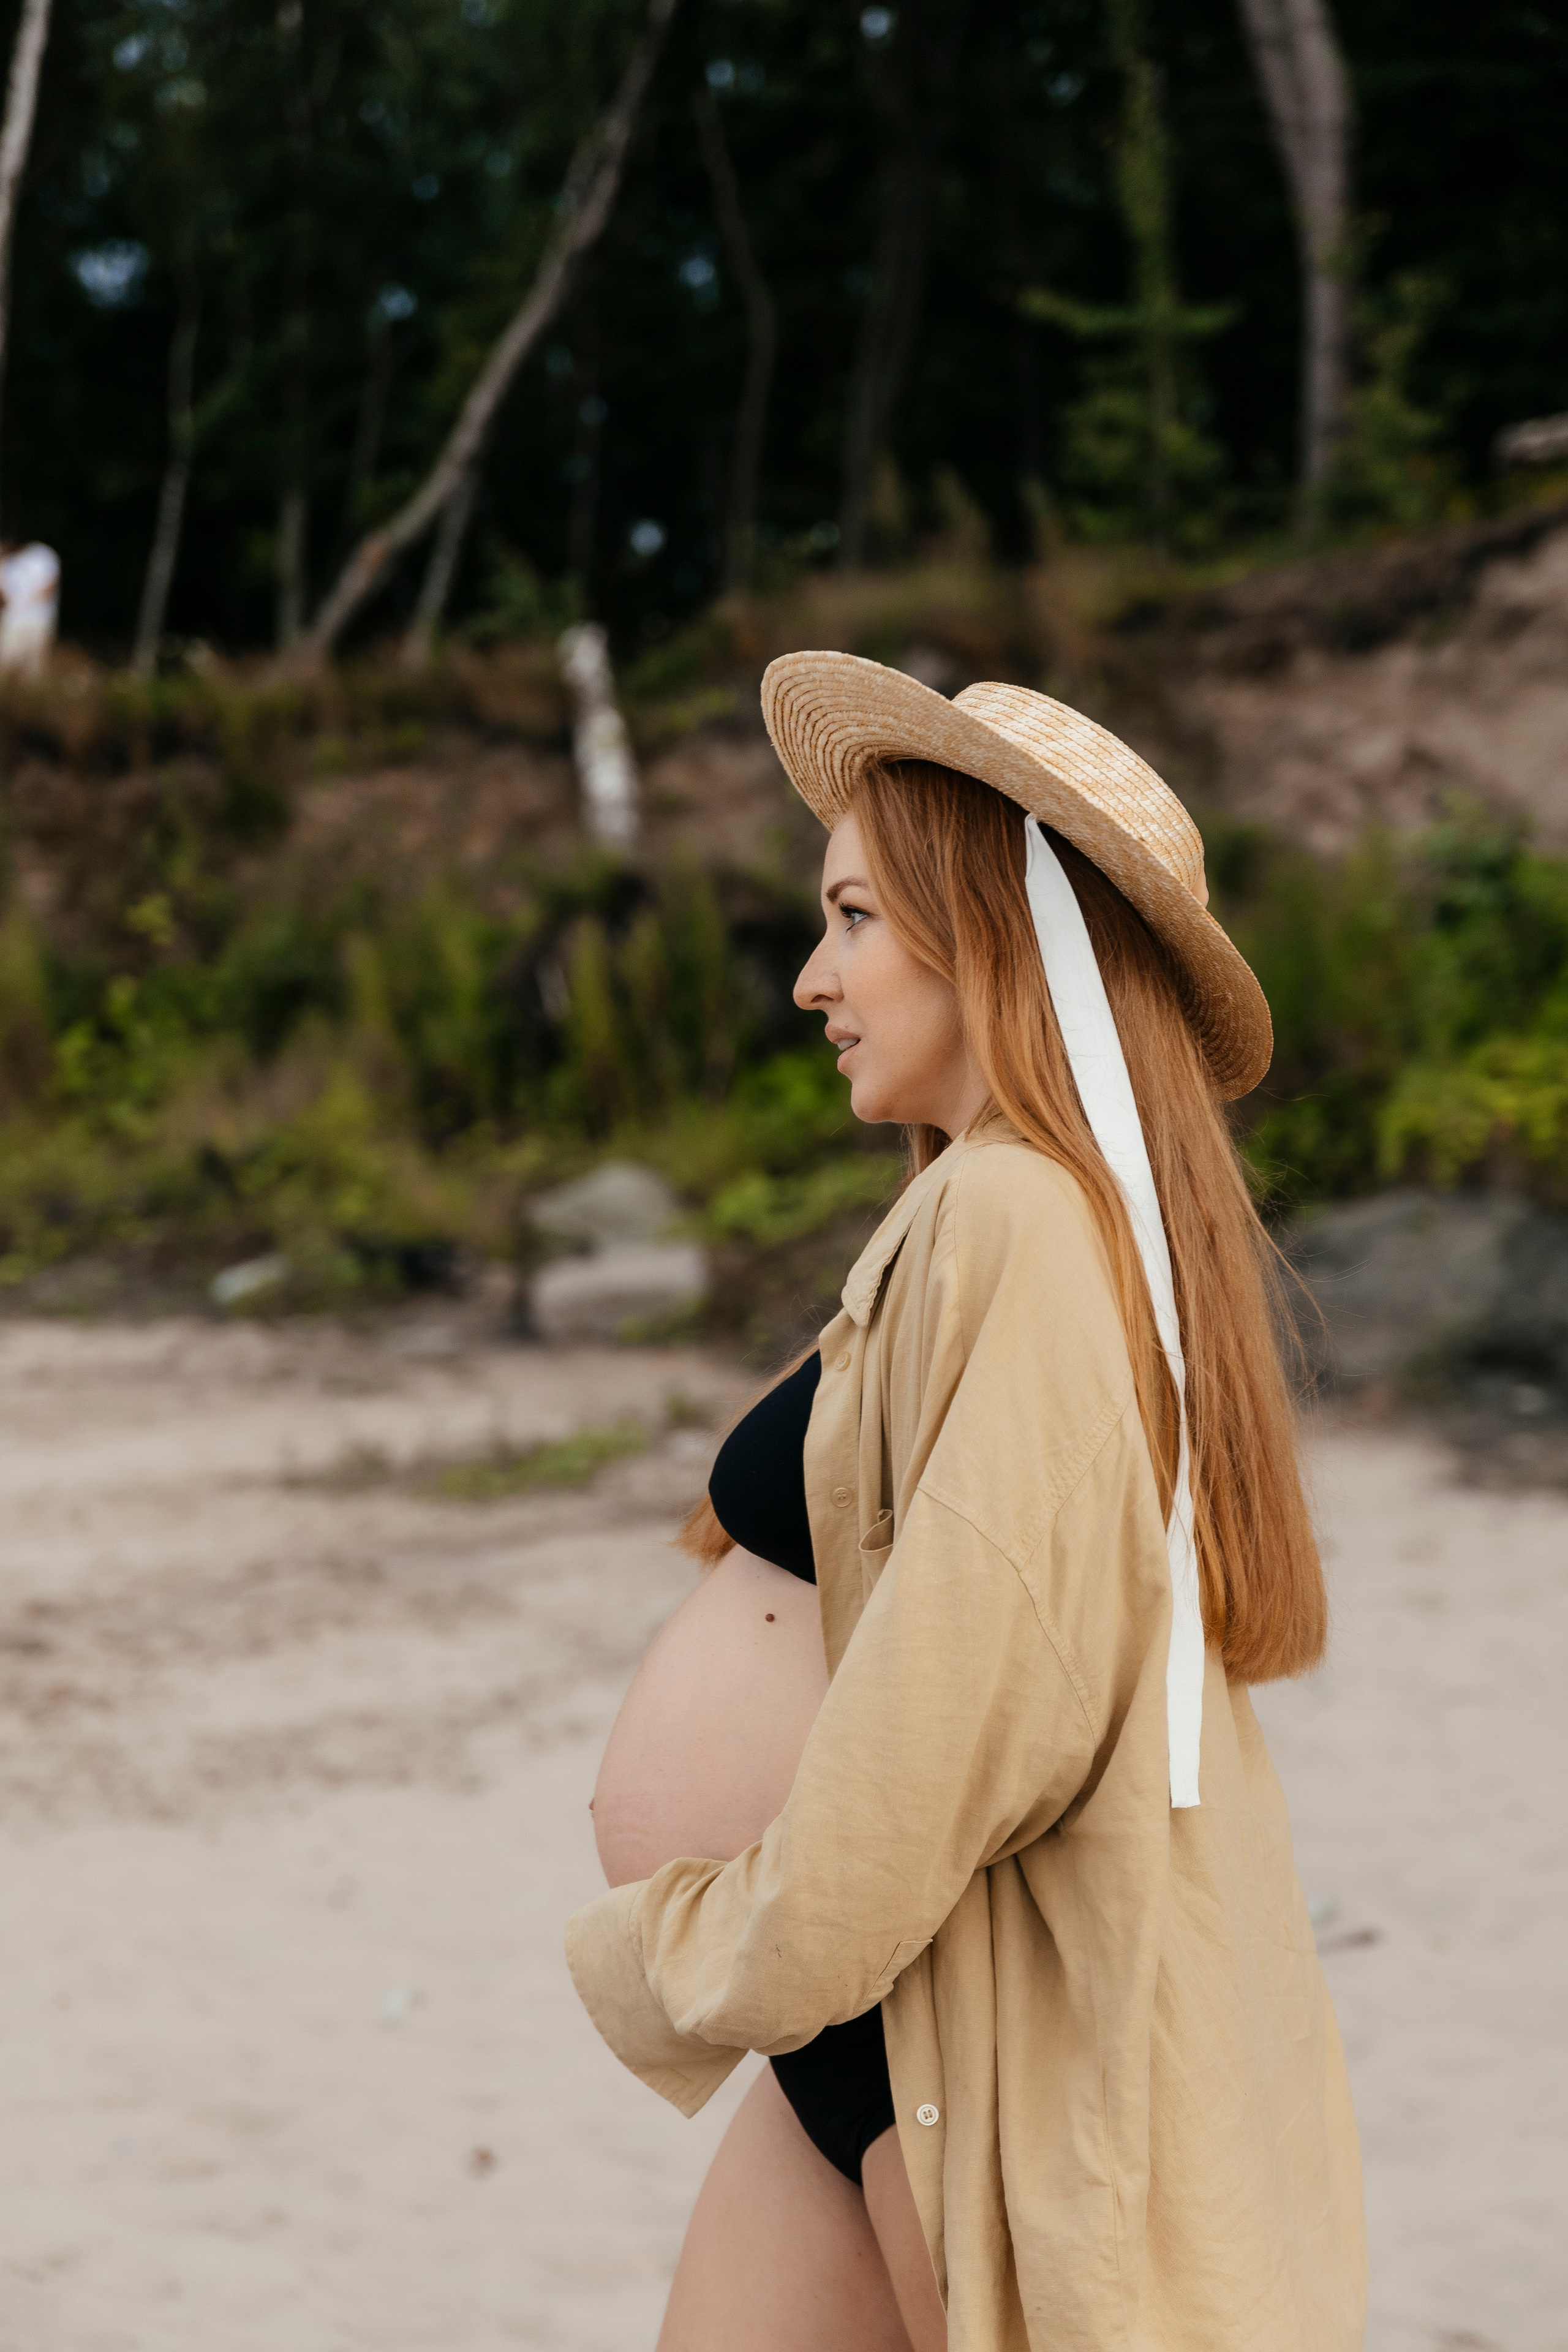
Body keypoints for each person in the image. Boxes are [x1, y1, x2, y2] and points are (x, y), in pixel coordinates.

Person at [573, 652, 1367, 2351]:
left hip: (929, 2009)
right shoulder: (1008, 1221)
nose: (812, 977)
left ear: (992, 931)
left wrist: (686, 1956)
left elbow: (948, 1717)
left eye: (854, 917)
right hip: (875, 2011)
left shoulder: (1012, 1217)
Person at [0, 540, 60, 677]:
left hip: (38, 621)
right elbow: (3, 594)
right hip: (12, 622)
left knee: (33, 670)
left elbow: (51, 585)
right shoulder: (8, 562)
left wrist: (26, 602)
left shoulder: (42, 554)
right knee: (5, 666)